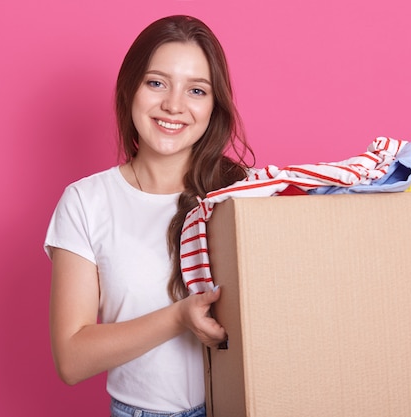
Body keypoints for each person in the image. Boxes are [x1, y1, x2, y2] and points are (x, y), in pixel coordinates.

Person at [44, 15, 254, 417]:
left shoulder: (241, 192)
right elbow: (71, 360)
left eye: (196, 90)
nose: (174, 105)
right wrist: (178, 317)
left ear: (214, 105)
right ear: (130, 88)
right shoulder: (87, 202)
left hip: (246, 404)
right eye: (157, 83)